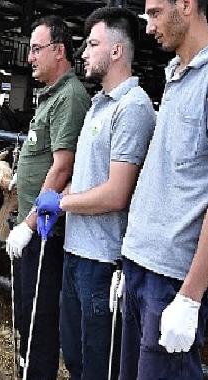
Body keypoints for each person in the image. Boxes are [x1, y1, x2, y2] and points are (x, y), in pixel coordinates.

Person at [35, 7, 156, 379]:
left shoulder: (133, 108)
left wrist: (62, 202)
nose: (84, 52)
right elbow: (88, 178)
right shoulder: (97, 106)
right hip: (76, 250)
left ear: (116, 51)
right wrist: (61, 197)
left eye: (92, 44)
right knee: (72, 354)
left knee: (97, 365)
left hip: (101, 260)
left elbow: (117, 193)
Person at [117, 0, 208, 378]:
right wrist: (130, 256)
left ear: (185, 4)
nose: (148, 25)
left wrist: (190, 297)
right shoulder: (175, 75)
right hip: (141, 267)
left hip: (172, 280)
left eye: (155, 13)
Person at [5, 16, 90, 379]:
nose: (31, 57)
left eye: (37, 49)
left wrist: (26, 225)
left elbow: (61, 168)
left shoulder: (69, 97)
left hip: (44, 232)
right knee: (26, 314)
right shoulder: (51, 96)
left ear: (59, 50)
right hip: (34, 226)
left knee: (39, 320)